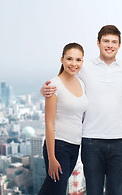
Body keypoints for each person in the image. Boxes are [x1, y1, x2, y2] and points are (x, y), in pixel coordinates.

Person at [41, 25, 122, 195]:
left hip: (119, 139)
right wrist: (45, 90)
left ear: (119, 45)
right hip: (91, 141)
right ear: (98, 43)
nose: (110, 45)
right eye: (106, 41)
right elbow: (64, 78)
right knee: (93, 191)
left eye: (114, 42)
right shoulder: (85, 67)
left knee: (117, 191)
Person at [39, 43, 88, 195]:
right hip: (59, 146)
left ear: (82, 62)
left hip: (75, 146)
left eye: (78, 60)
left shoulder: (81, 83)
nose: (74, 64)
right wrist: (52, 158)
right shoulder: (54, 85)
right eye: (69, 59)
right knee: (57, 190)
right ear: (62, 60)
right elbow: (49, 123)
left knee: (51, 189)